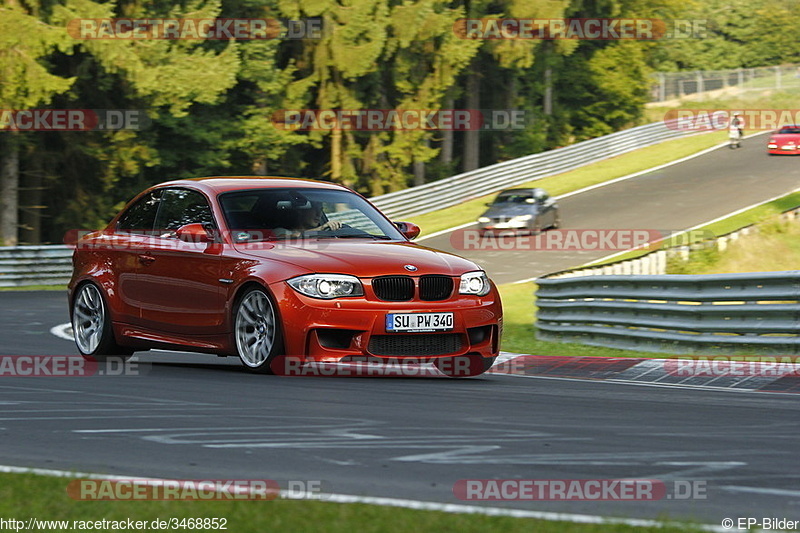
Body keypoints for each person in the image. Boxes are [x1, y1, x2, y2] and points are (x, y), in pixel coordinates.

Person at [273, 202, 342, 238]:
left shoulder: (324, 234)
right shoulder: (279, 231)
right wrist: (321, 228)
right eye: (314, 209)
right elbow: (293, 237)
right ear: (301, 211)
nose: (319, 214)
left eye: (321, 210)